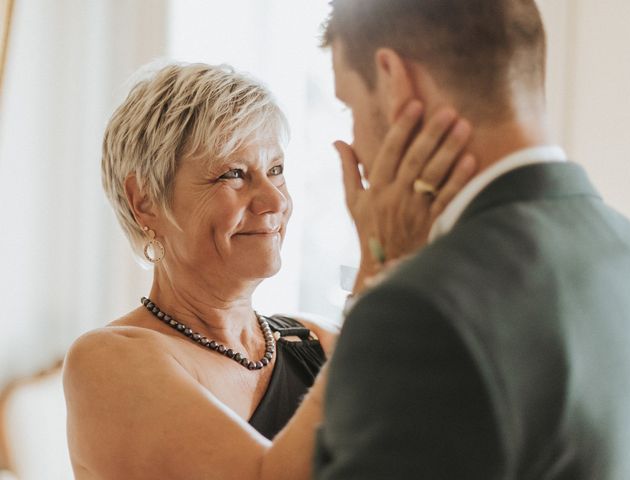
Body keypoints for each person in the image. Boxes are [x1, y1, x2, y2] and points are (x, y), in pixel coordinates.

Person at [62, 62, 473, 479]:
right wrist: (376, 280)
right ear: (145, 199)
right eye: (234, 174)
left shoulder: (319, 343)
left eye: (275, 170)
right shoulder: (107, 361)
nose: (275, 201)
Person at [314, 1, 630, 479]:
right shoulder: (624, 247)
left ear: (393, 80)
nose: (354, 146)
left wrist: (378, 274)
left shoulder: (413, 313)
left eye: (350, 107)